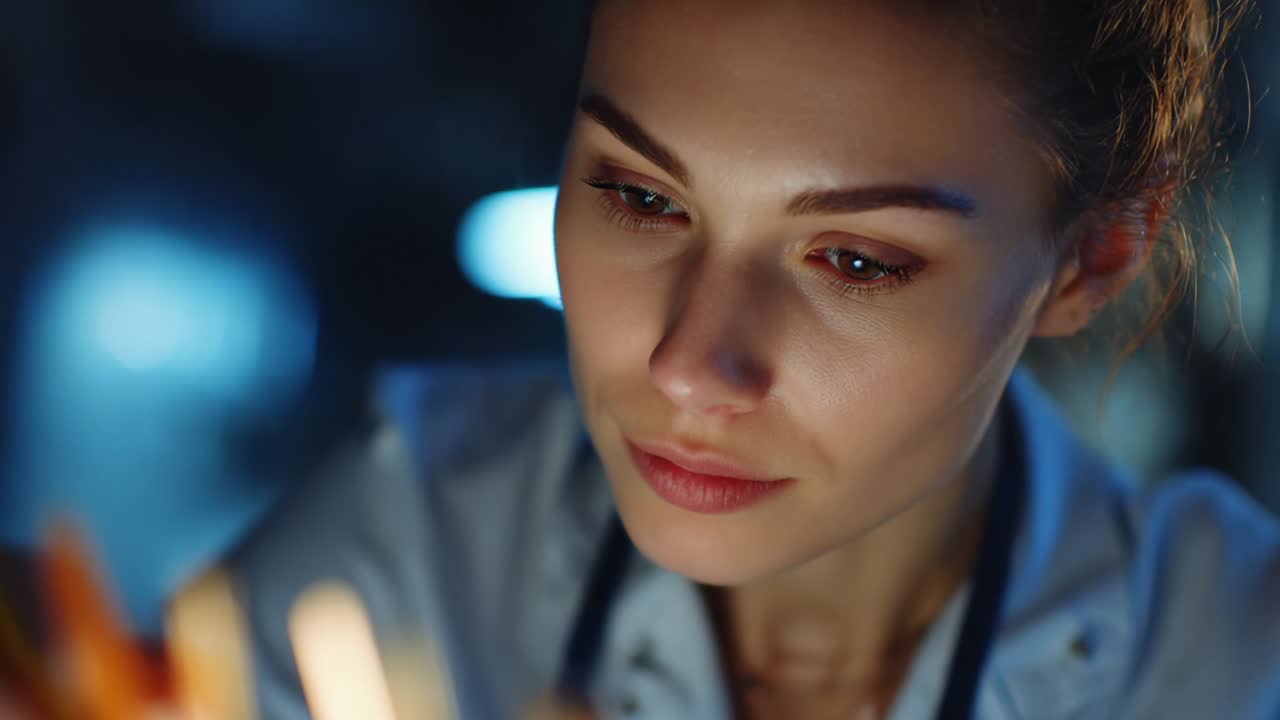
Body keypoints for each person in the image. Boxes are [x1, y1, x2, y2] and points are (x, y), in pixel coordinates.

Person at [223, 1, 1280, 718]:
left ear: (1089, 261)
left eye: (855, 260)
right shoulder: (401, 538)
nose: (688, 366)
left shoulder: (1229, 658)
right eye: (640, 197)